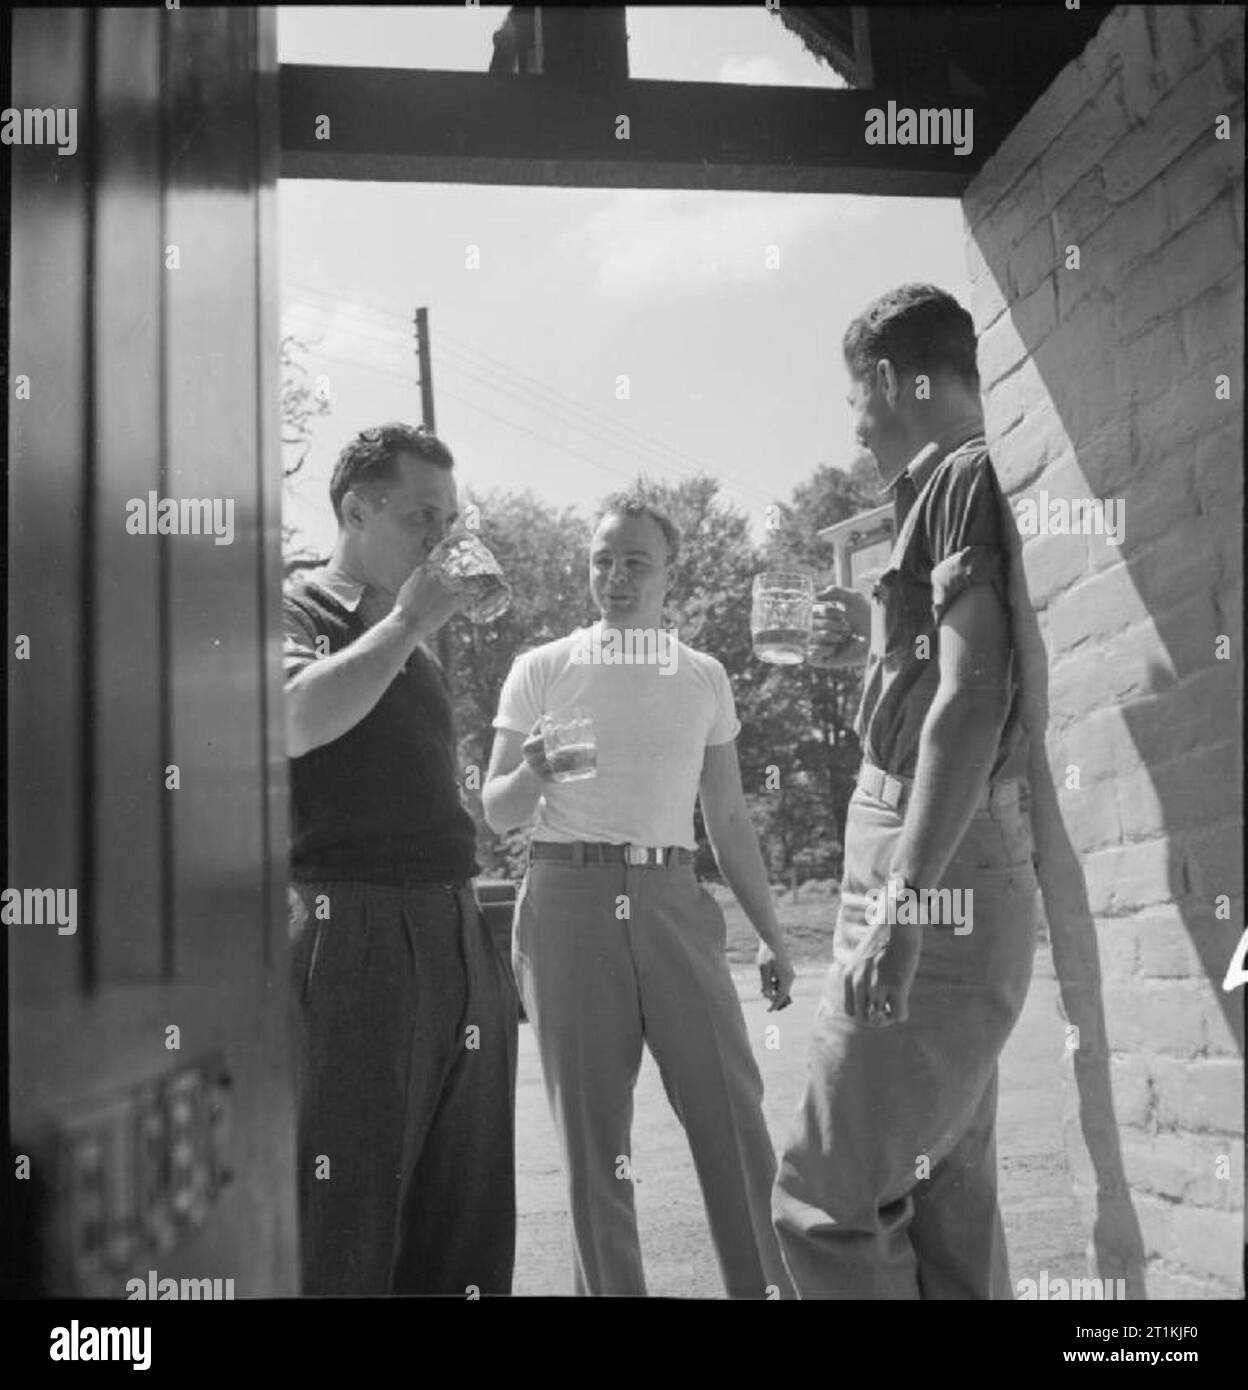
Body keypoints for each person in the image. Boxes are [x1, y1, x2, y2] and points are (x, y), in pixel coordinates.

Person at [772, 284, 1038, 1298]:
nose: (859, 424)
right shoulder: (959, 482)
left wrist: (903, 905)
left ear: (887, 378)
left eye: (856, 401)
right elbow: (944, 681)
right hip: (949, 844)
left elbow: (974, 699)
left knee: (827, 1201)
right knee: (944, 1204)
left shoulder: (963, 469)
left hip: (930, 855)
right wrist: (875, 654)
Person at [483, 499, 796, 1298]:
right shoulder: (543, 667)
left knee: (732, 1118)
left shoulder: (702, 677)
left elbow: (728, 819)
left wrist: (771, 933)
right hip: (565, 900)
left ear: (668, 575)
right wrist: (535, 768)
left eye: (635, 562)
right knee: (595, 1149)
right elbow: (499, 808)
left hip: (671, 897)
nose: (614, 577)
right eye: (601, 559)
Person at [283, 422, 518, 1295]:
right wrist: (416, 614)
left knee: (466, 1220)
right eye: (424, 516)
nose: (444, 540)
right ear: (354, 509)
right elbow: (296, 719)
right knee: (349, 1221)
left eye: (451, 519)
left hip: (457, 928)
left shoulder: (401, 638)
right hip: (355, 932)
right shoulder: (297, 605)